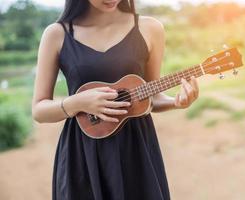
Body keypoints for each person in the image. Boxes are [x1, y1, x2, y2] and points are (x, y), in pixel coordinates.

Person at [31, 0, 199, 199]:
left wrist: (176, 102)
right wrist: (77, 102)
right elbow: (39, 110)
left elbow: (153, 96)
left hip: (135, 150)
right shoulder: (57, 33)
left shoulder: (149, 28)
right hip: (83, 152)